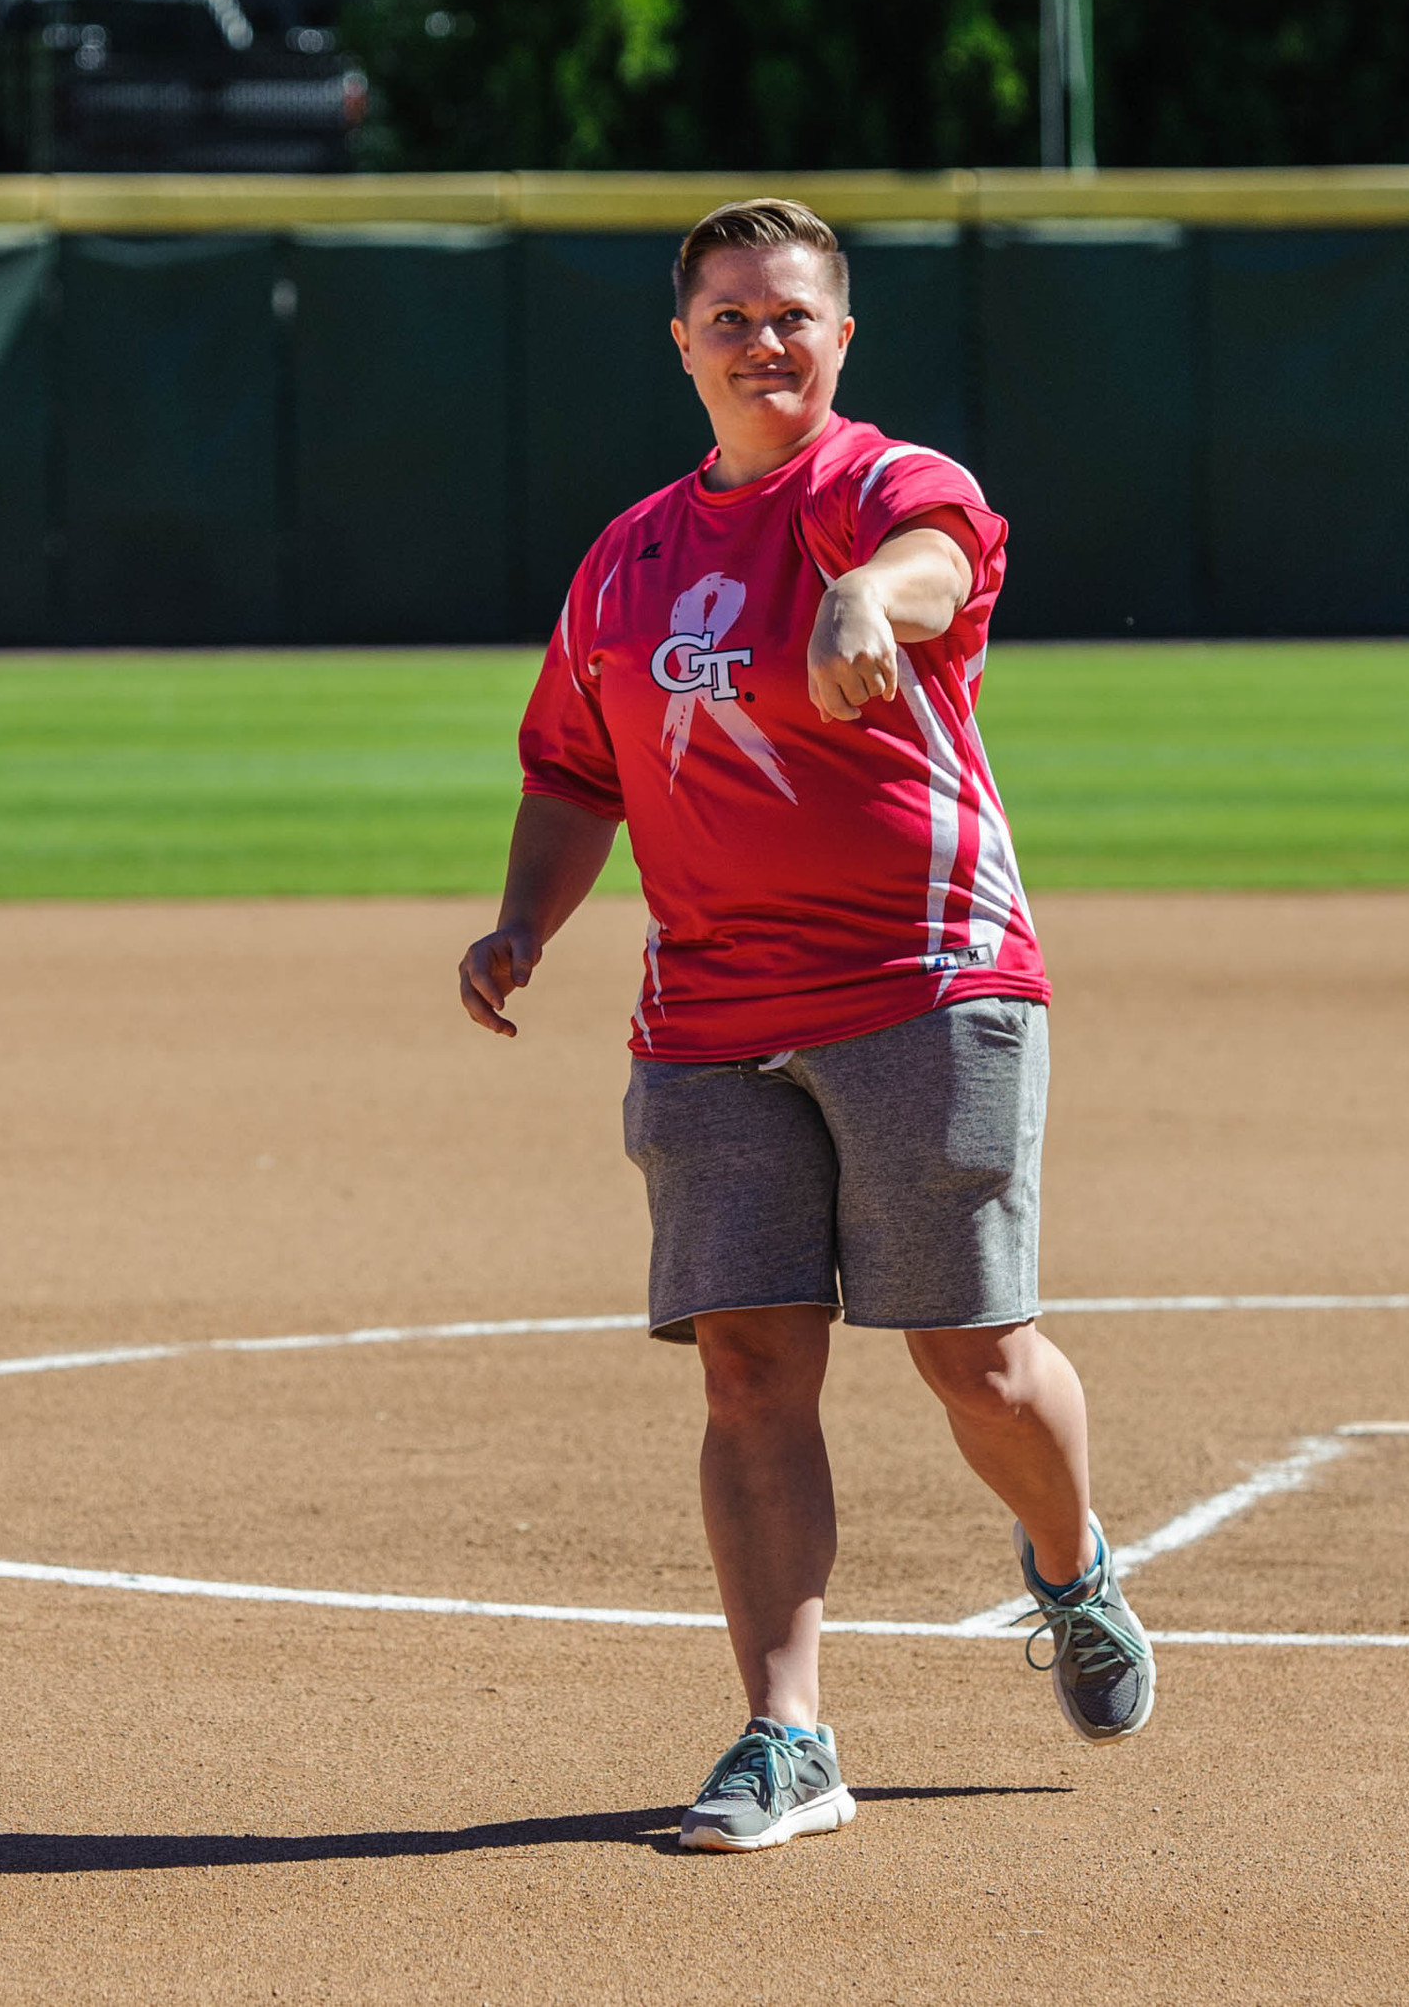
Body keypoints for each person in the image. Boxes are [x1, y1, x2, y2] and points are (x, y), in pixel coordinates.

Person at [458, 197, 1154, 1852]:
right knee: (749, 1367)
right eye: (731, 317)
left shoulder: (881, 489)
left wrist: (867, 603)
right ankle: (787, 1738)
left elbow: (942, 553)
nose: (763, 343)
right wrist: (522, 923)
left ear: (842, 340)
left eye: (794, 318)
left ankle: (1071, 1564)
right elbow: (573, 763)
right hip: (704, 1014)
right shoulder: (624, 558)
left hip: (925, 986)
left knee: (974, 1365)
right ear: (681, 341)